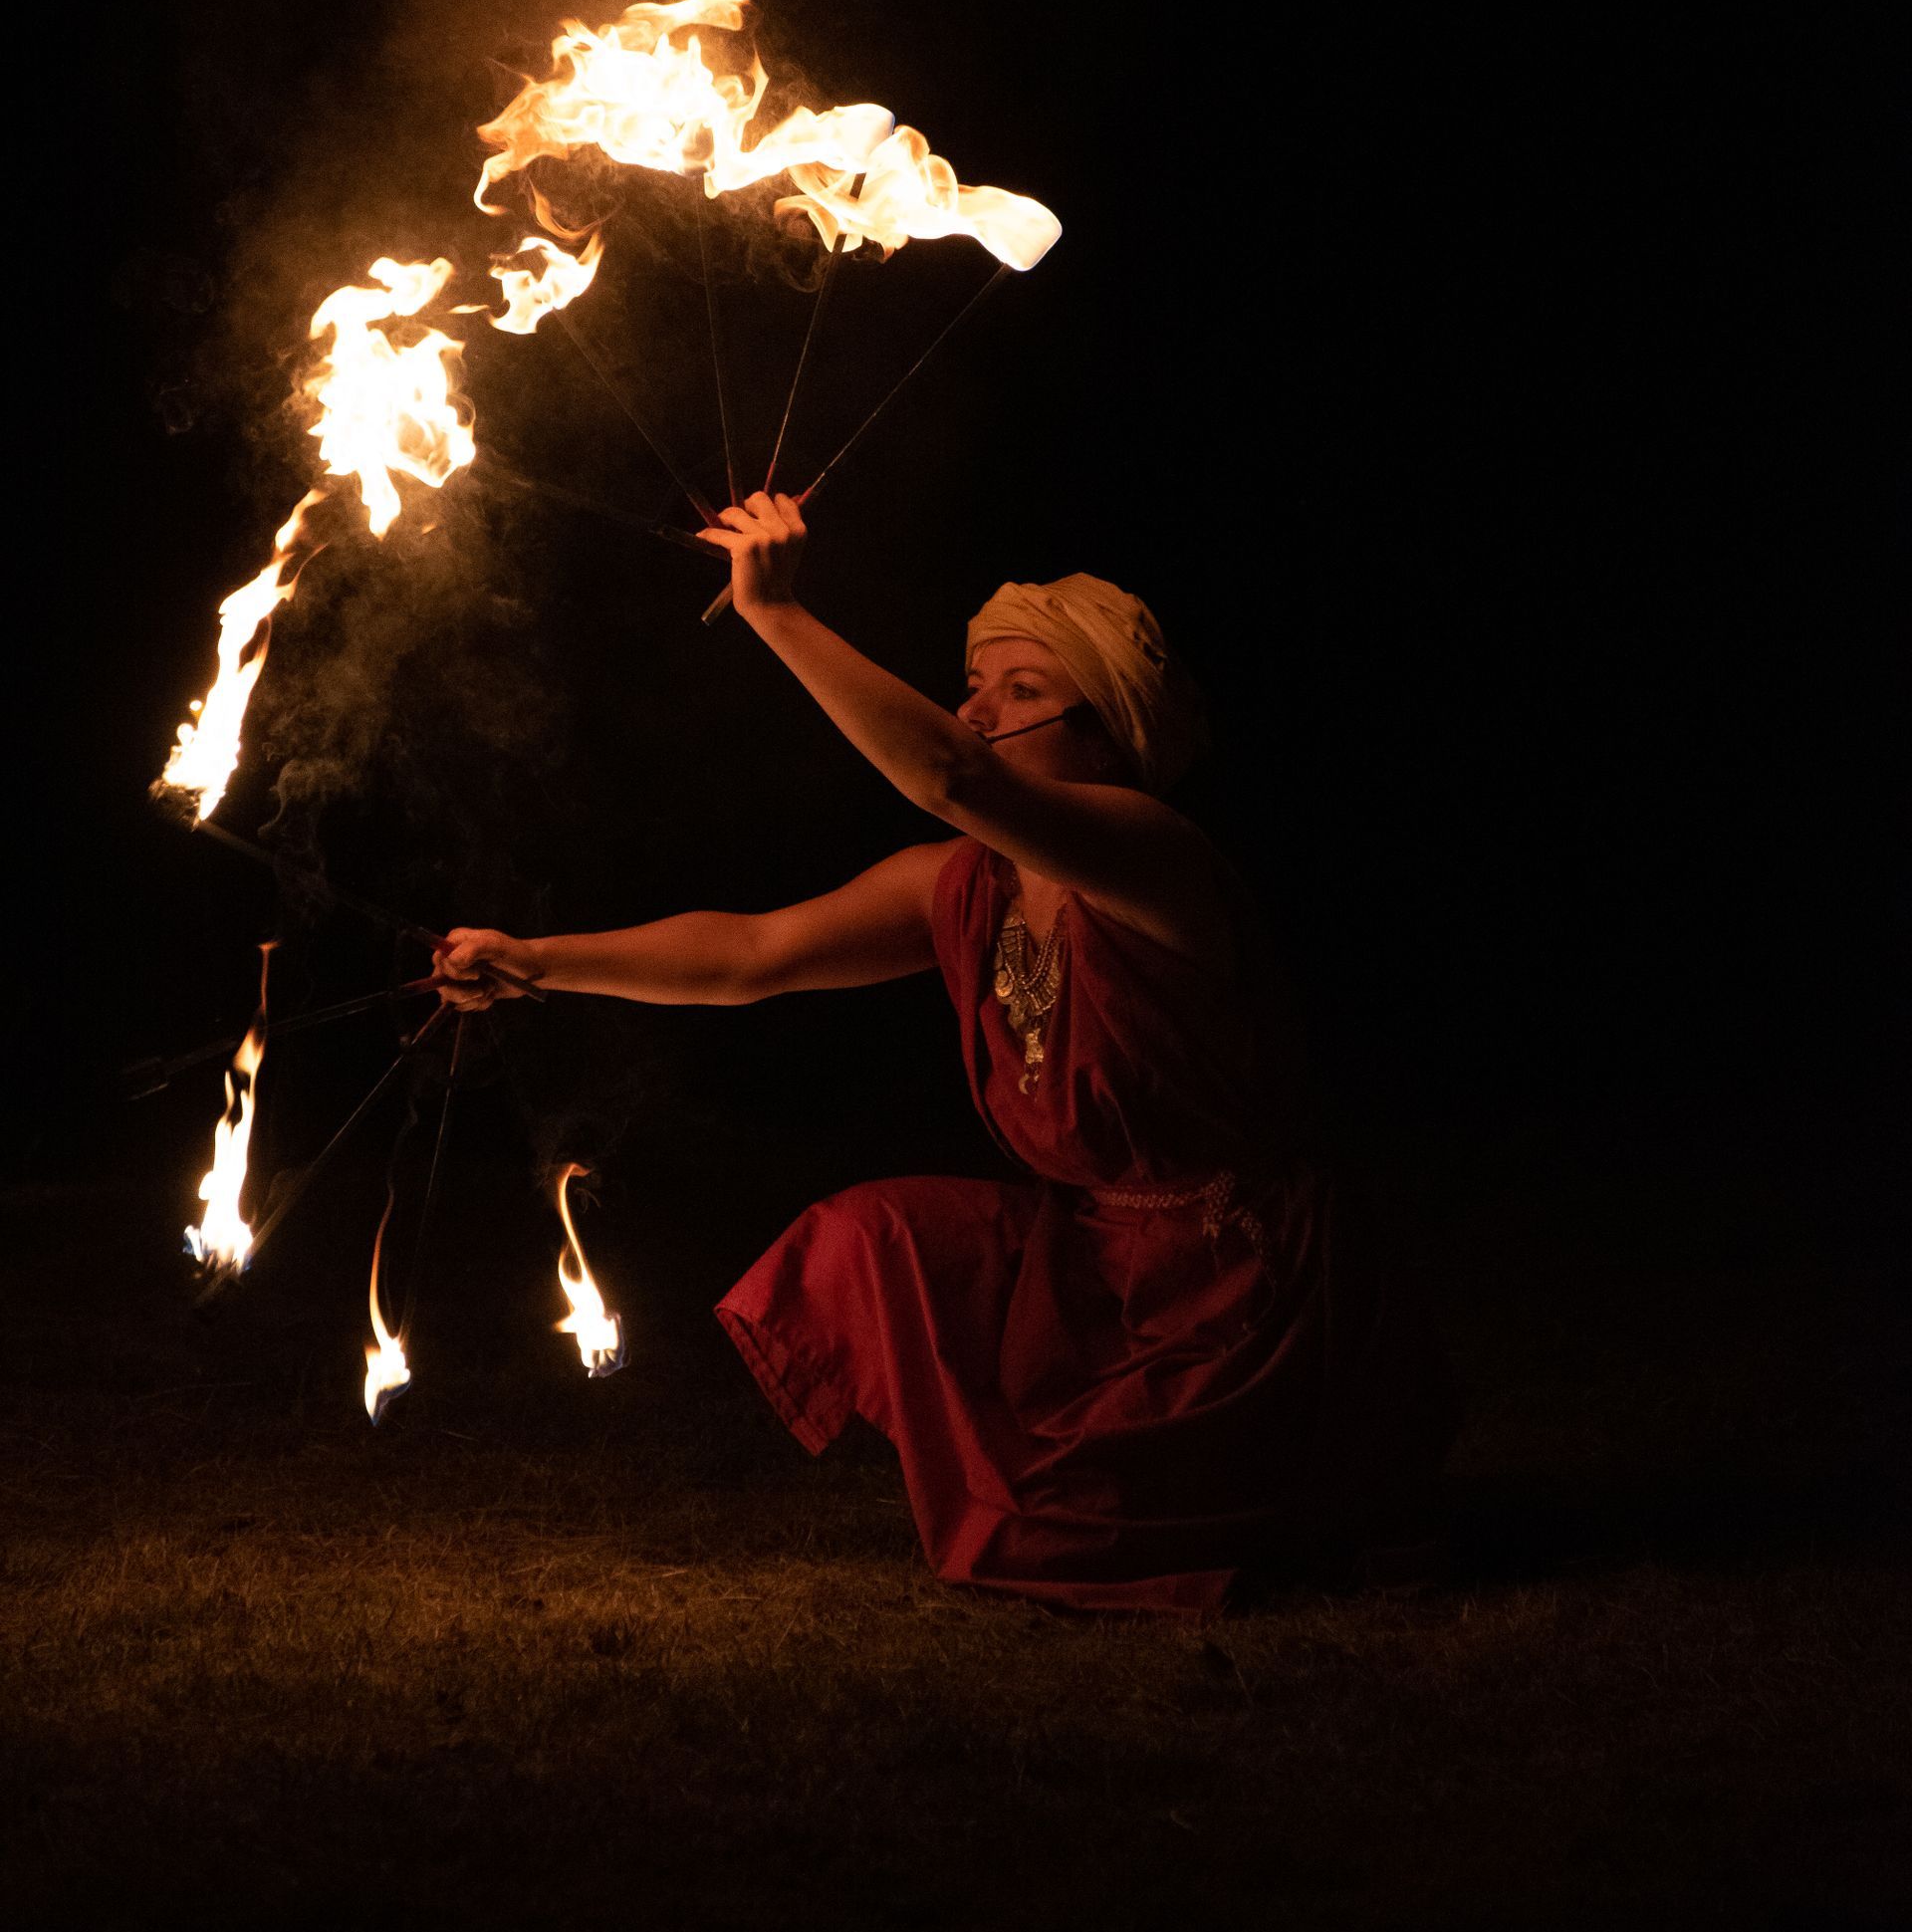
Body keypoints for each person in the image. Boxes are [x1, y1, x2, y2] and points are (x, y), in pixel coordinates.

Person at [435, 491, 1457, 1617]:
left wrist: (776, 614)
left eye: (1024, 691)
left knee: (1065, 1535)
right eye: (975, 682)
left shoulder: (1155, 856)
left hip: (1241, 1287)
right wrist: (536, 957)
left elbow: (952, 776)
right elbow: (750, 953)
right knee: (871, 1234)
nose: (976, 711)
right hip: (1091, 1261)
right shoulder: (956, 885)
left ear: (1109, 731)